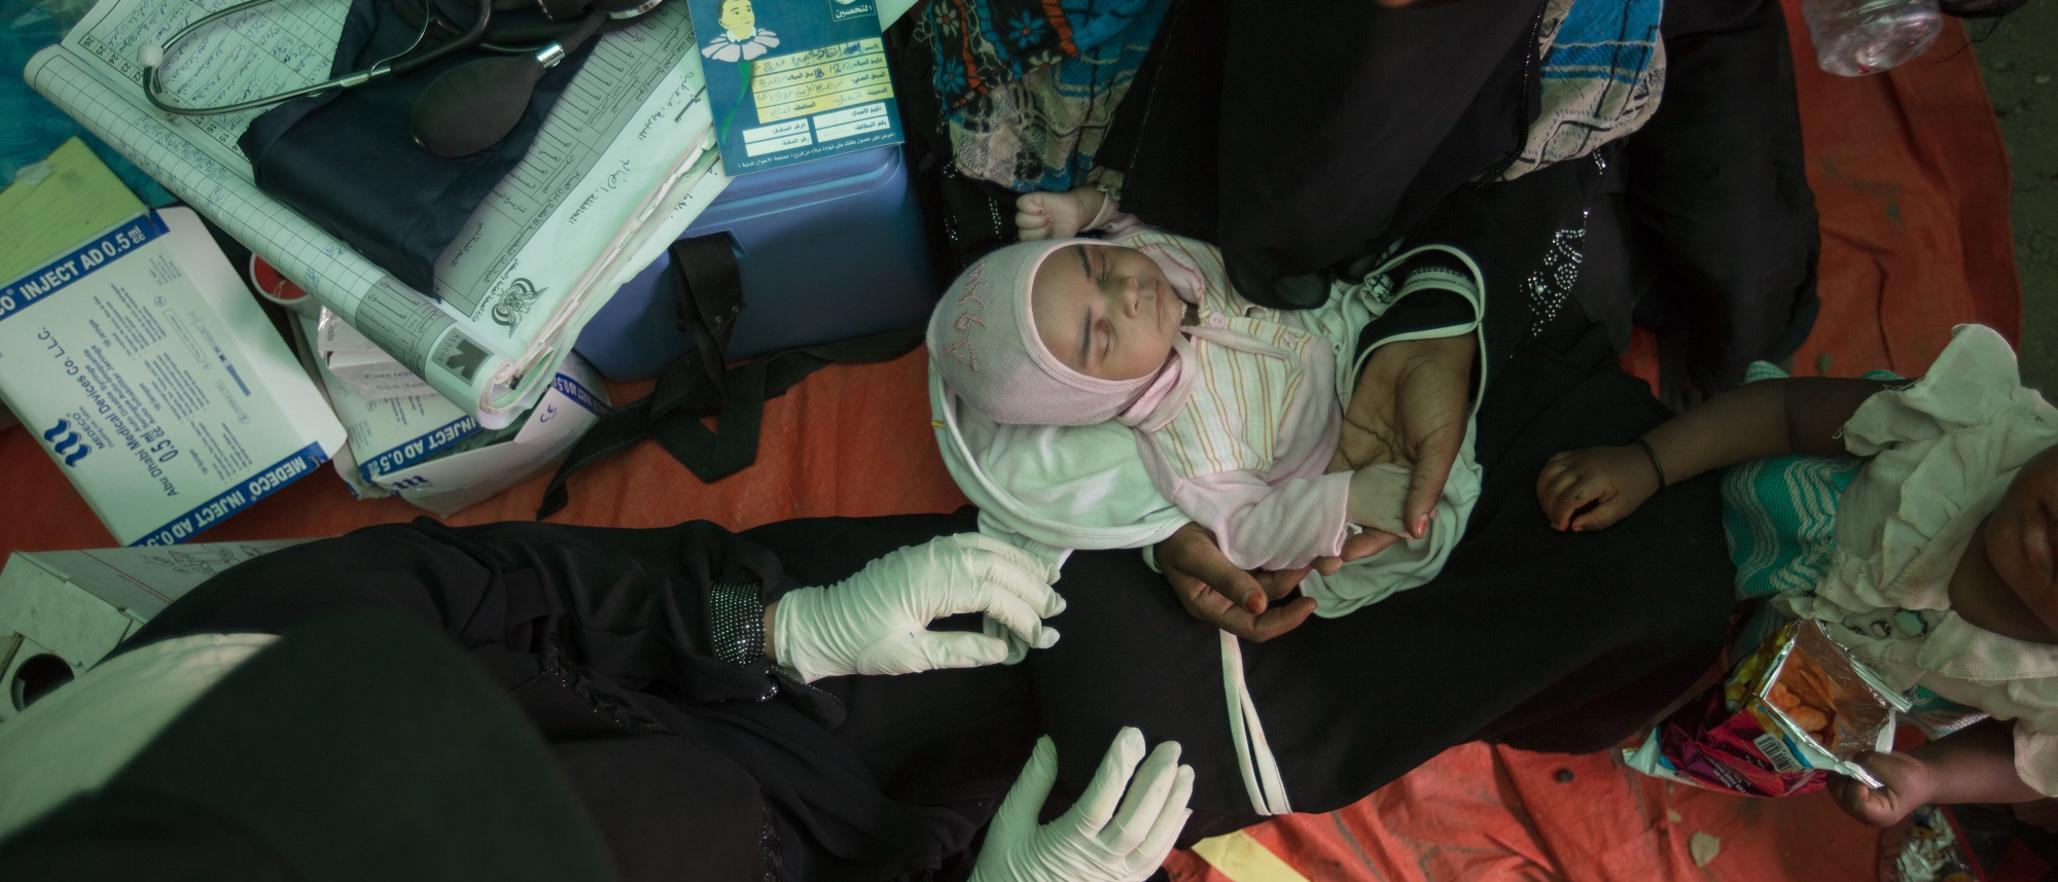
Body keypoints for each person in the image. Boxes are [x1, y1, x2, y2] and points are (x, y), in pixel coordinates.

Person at [0, 518, 1192, 882]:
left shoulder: (214, 688)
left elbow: (528, 586)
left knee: (1126, 584)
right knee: (1206, 740)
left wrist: (777, 632)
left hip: (711, 692)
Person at [1536, 323, 2058, 827]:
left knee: (1644, 706)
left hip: (1787, 681)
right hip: (1724, 528)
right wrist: (1649, 463)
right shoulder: (1969, 428)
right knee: (1583, 612)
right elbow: (1786, 412)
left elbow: (2024, 760)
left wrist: (1929, 776)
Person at [929, 185, 1480, 617]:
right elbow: (1248, 531)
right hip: (1361, 443)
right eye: (1101, 336)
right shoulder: (1189, 451)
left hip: (1377, 325)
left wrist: (1081, 208)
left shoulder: (1146, 251)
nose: (1127, 294)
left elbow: (1123, 214)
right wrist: (1348, 500)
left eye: (1095, 266)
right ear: (1093, 400)